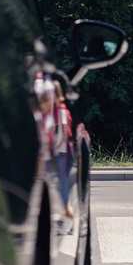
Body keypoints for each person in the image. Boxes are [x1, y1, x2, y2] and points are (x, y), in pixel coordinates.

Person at [53, 80, 75, 220]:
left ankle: (66, 215)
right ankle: (66, 214)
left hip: (61, 152)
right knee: (61, 185)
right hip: (60, 152)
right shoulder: (58, 110)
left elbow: (64, 134)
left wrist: (53, 148)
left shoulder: (60, 111)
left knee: (62, 185)